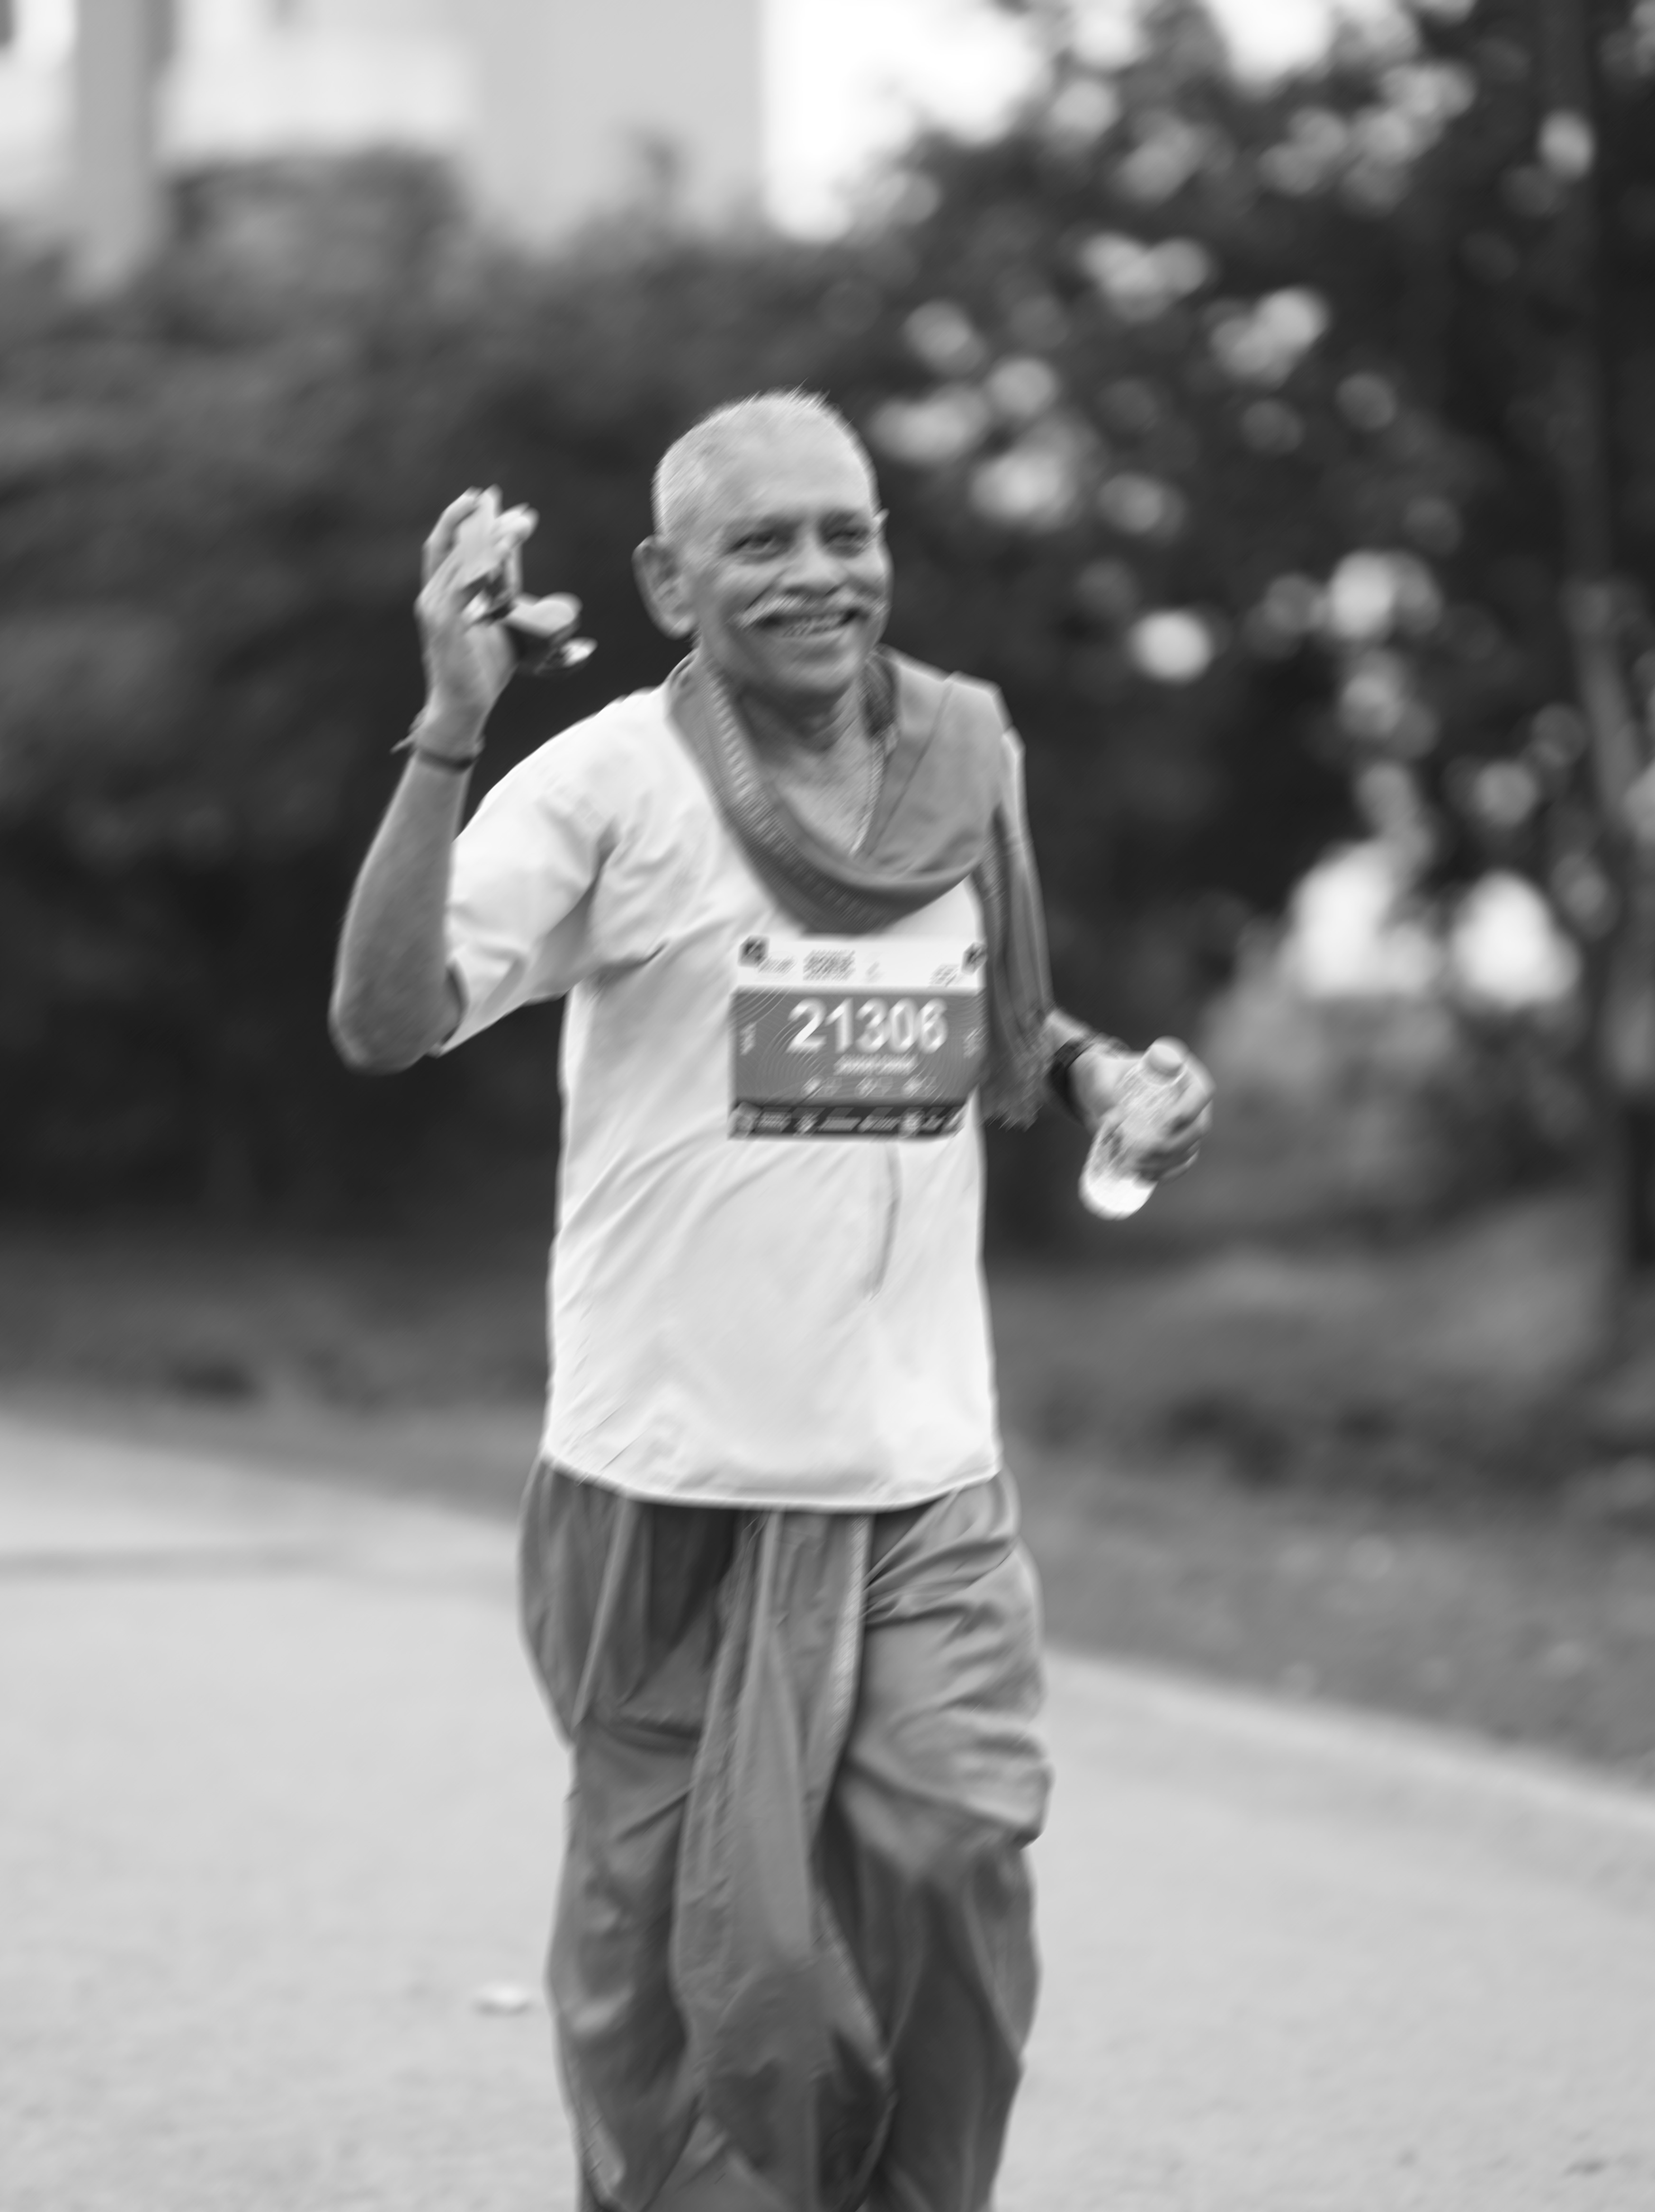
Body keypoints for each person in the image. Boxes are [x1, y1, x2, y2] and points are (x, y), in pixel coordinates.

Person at [331, 392, 1215, 2212]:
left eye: (848, 531)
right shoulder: (603, 786)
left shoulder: (959, 768)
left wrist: (1100, 1074)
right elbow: (383, 1015)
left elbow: (983, 1023)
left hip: (919, 1484)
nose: (820, 572)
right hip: (664, 1493)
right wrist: (445, 731)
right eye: (763, 542)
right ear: (668, 580)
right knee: (701, 1983)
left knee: (957, 1856)